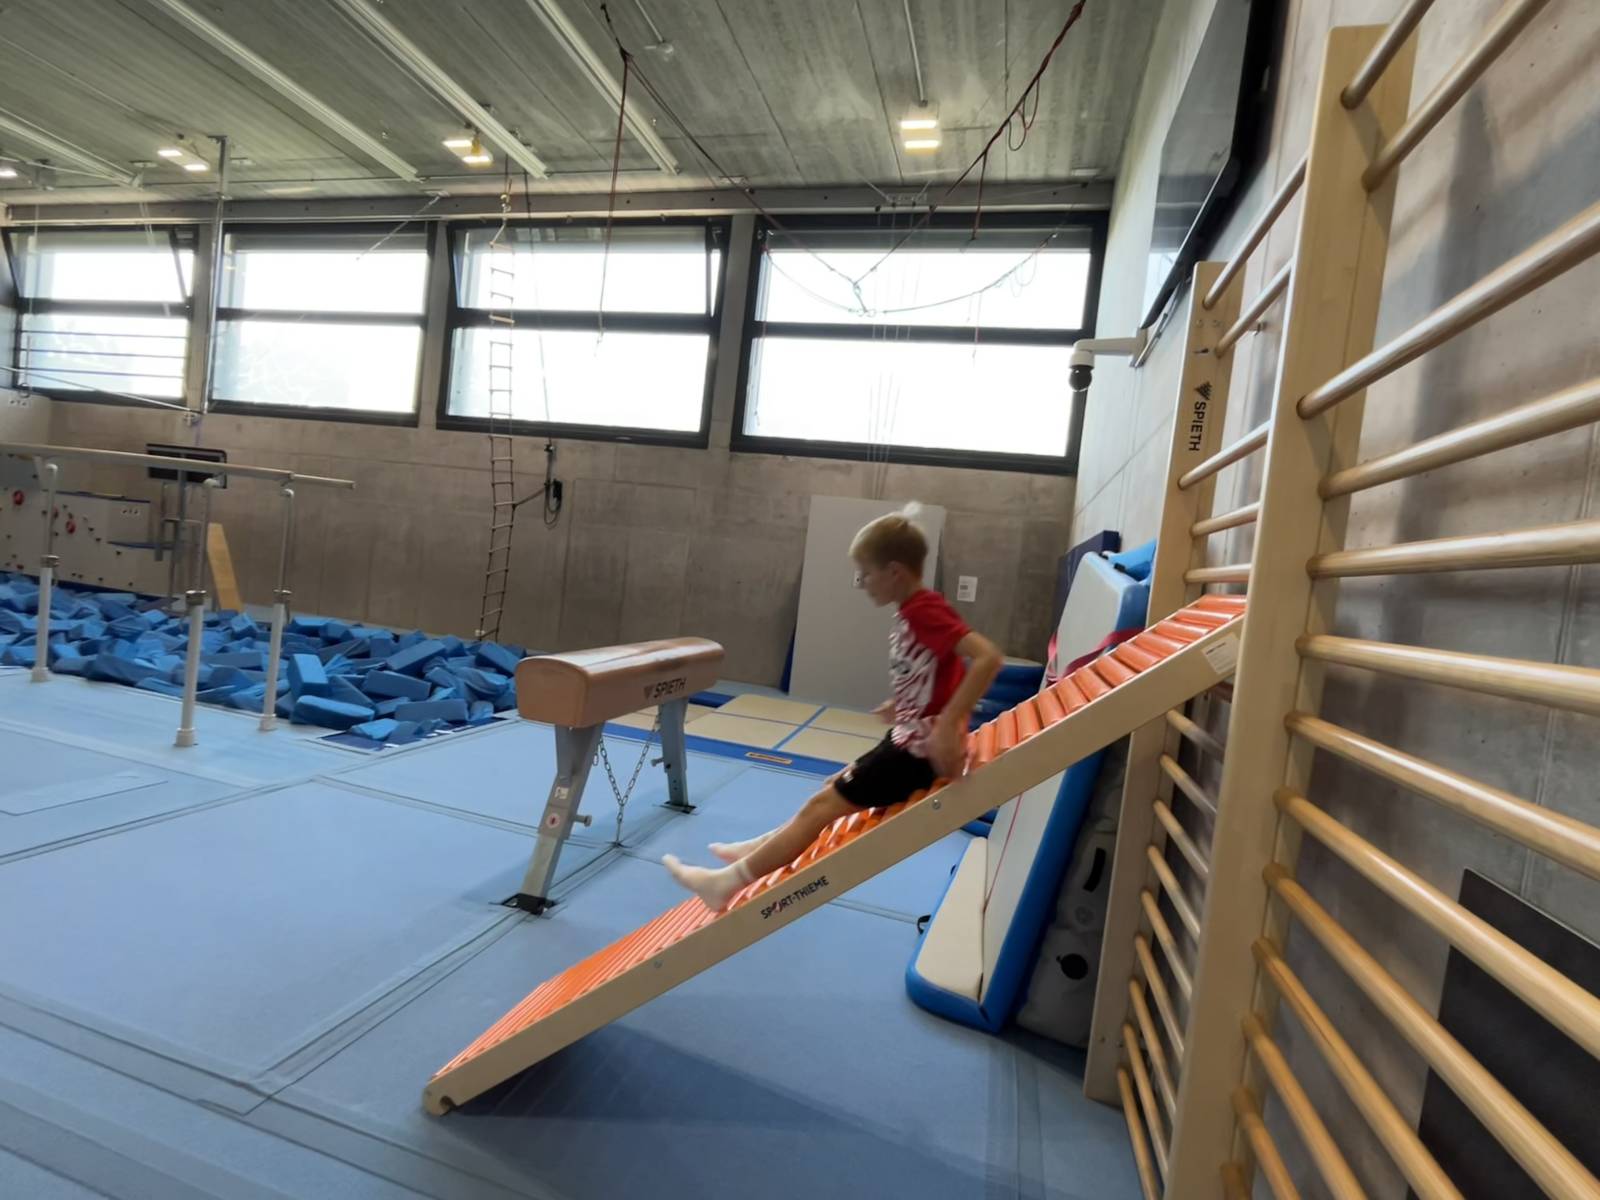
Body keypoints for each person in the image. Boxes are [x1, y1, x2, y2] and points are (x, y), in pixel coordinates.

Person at [664, 503, 1003, 912]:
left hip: (917, 753)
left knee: (822, 807)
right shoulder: (913, 610)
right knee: (831, 789)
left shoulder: (925, 611)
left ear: (894, 571)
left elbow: (987, 657)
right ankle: (758, 849)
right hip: (907, 740)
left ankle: (726, 883)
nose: (862, 583)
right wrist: (903, 704)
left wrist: (949, 723)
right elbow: (938, 670)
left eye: (866, 573)